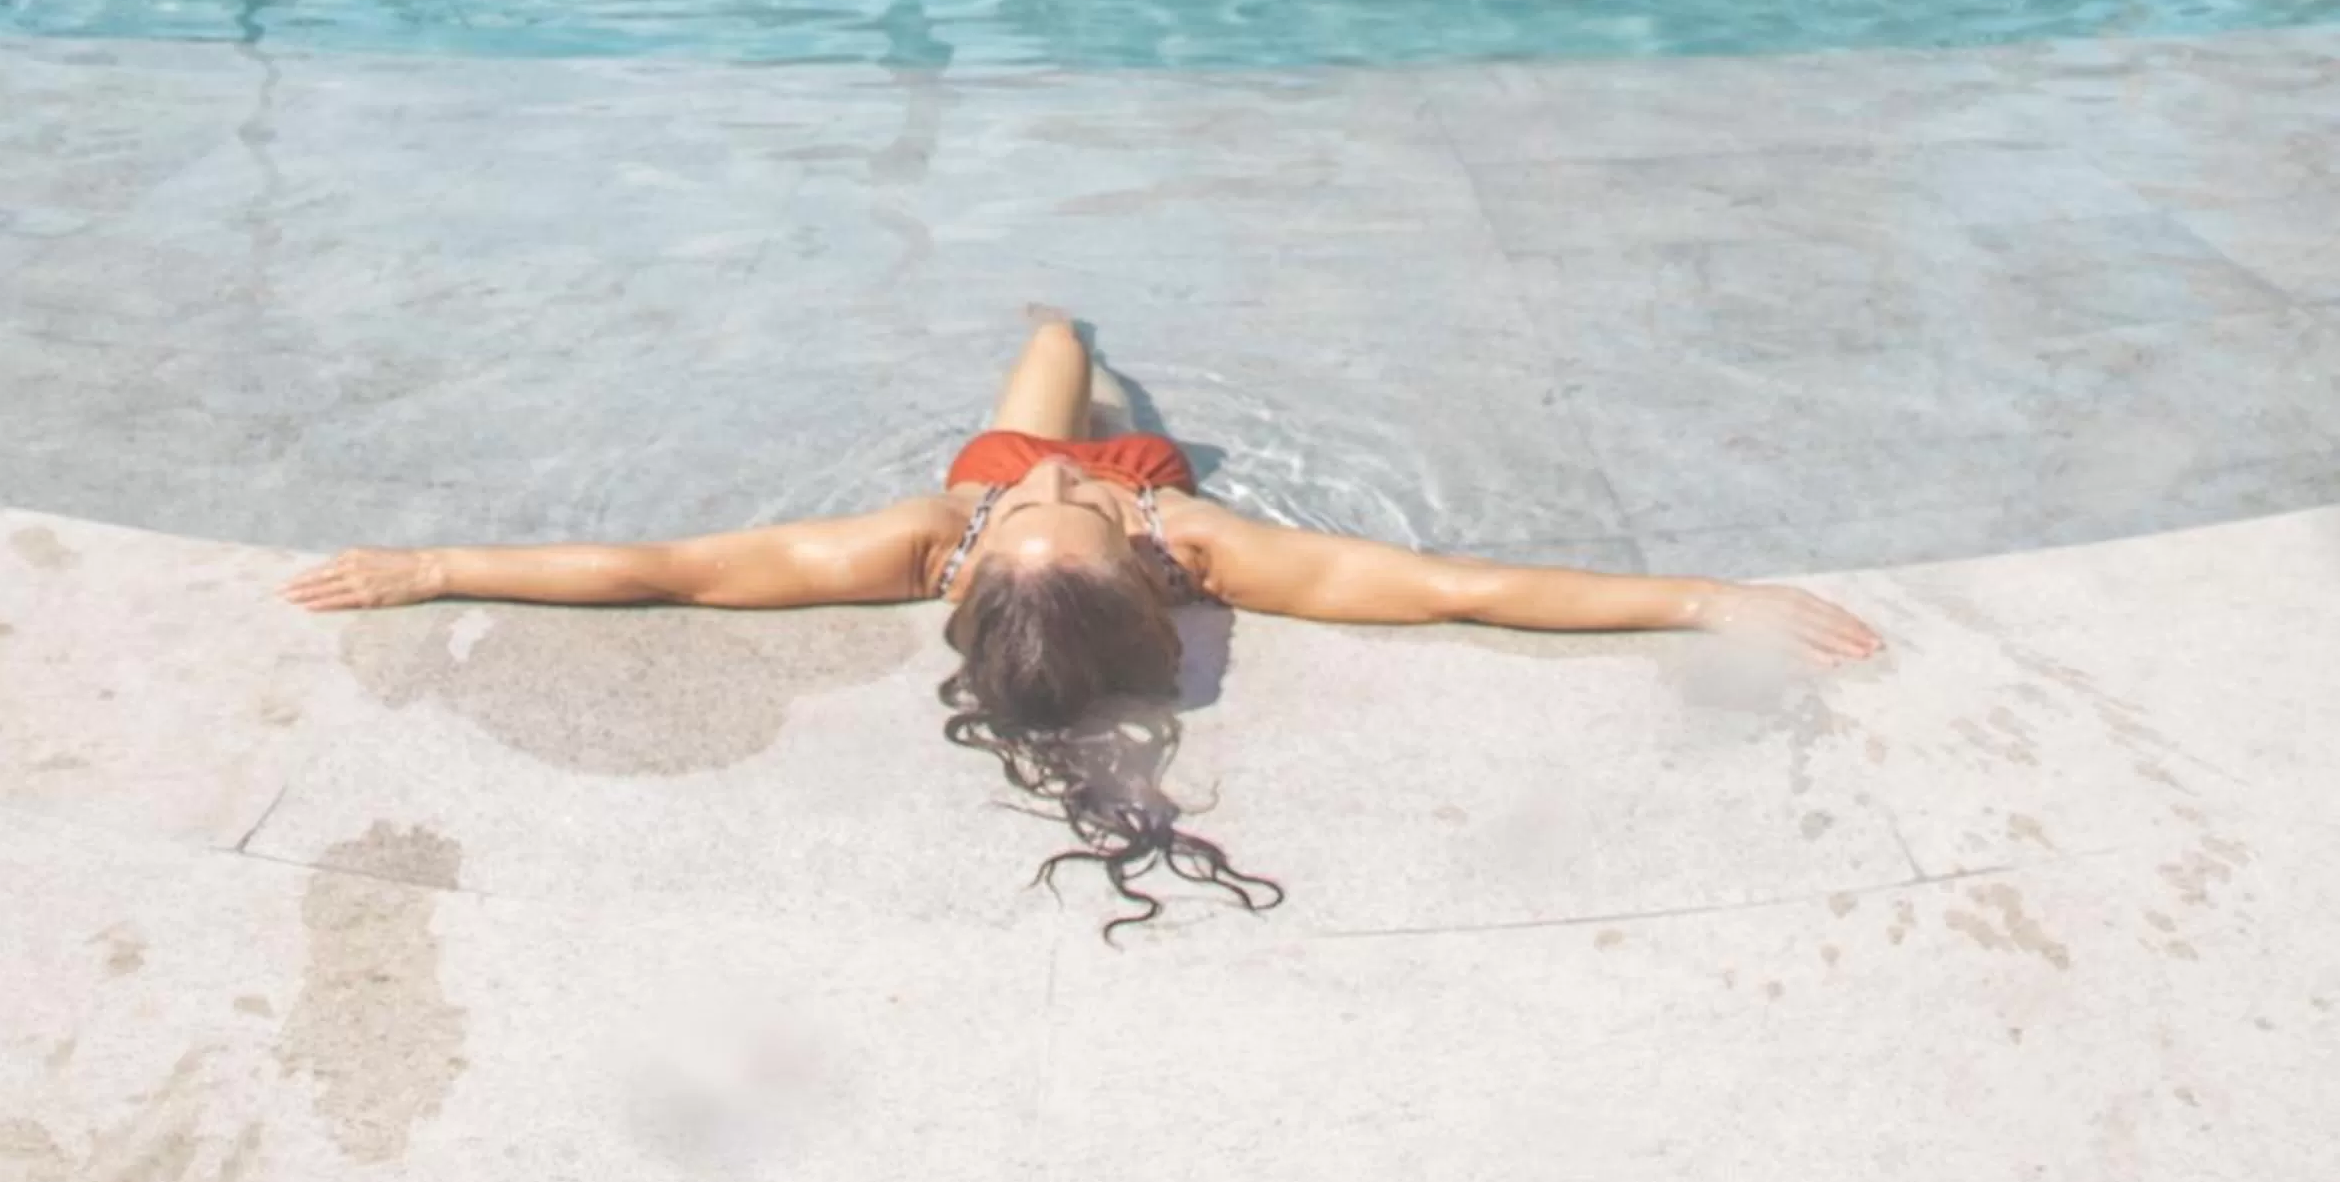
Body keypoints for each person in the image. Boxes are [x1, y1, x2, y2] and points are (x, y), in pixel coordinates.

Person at [286, 310, 1884, 931]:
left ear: (973, 564)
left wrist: (438, 568)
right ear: (1149, 563)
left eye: (1053, 505)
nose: (1062, 484)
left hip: (983, 471)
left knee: (1050, 341)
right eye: (1072, 506)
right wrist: (1700, 599)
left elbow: (673, 570)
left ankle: (1080, 341)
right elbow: (1465, 591)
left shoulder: (933, 530)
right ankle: (1102, 361)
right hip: (1142, 470)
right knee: (1090, 370)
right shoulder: (1198, 538)